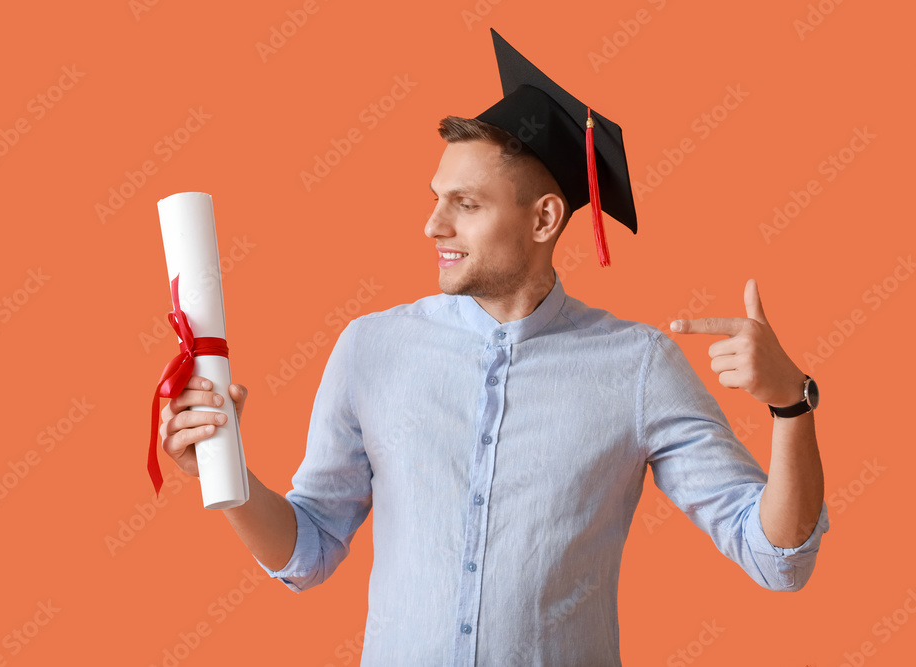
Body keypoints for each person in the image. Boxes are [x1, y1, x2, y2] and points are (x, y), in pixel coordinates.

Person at [156, 30, 828, 666]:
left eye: (465, 204)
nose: (432, 223)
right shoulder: (372, 348)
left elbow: (777, 558)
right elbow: (309, 549)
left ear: (544, 218)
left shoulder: (637, 366)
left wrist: (790, 407)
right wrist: (230, 472)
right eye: (435, 198)